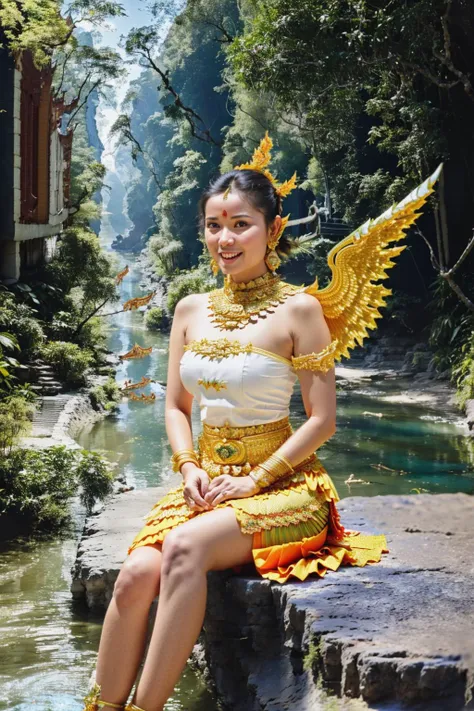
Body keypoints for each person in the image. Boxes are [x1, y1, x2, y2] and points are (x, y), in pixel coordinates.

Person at [83, 134, 441, 711]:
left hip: (283, 487)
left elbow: (322, 420)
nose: (224, 240)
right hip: (203, 485)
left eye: (241, 224)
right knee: (131, 577)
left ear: (273, 231)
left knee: (181, 552)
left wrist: (253, 480)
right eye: (213, 225)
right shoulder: (189, 309)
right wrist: (188, 464)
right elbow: (176, 408)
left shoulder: (301, 309)